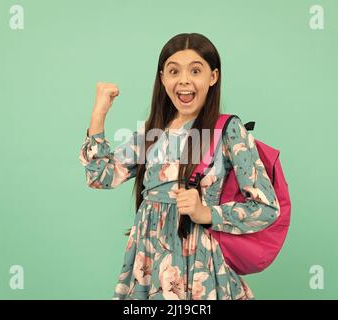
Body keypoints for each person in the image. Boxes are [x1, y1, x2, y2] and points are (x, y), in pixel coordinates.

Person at [79, 33, 280, 300]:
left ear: (213, 77)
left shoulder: (227, 130)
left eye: (195, 70)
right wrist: (99, 112)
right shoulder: (152, 133)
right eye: (174, 71)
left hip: (198, 266)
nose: (184, 80)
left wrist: (206, 213)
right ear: (163, 79)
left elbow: (266, 208)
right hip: (149, 262)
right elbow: (101, 177)